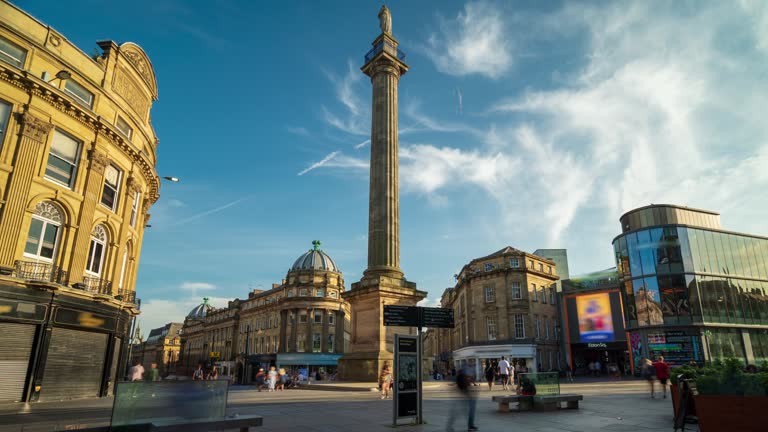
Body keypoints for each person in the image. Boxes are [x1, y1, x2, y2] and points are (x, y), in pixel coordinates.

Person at [446, 364, 478, 432]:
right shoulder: (465, 370)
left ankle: (470, 425)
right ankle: (470, 426)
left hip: (463, 392)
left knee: (460, 410)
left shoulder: (463, 371)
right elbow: (467, 379)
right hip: (464, 392)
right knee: (464, 410)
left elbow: (464, 379)